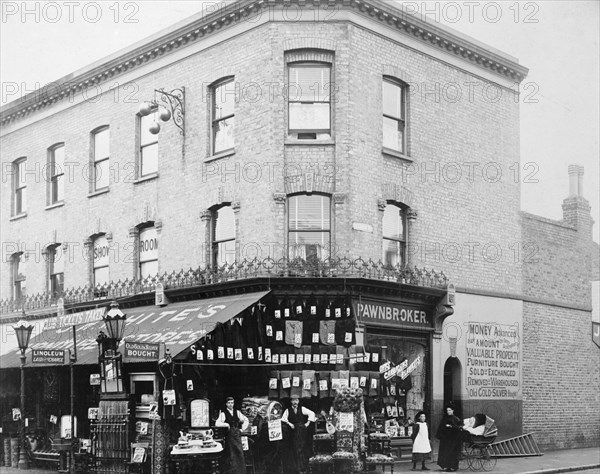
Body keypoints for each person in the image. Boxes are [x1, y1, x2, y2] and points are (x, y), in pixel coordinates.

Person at [281, 395, 316, 473]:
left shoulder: (302, 408)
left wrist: (307, 423)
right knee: (296, 449)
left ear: (298, 401)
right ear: (291, 401)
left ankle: (304, 469)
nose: (295, 402)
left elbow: (312, 414)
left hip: (302, 430)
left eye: (296, 400)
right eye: (293, 400)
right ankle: (299, 469)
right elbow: (283, 419)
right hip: (293, 431)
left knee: (302, 448)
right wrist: (290, 424)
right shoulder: (288, 410)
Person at [215, 397, 250, 474]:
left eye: (232, 403)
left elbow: (246, 420)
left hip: (237, 435)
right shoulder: (223, 413)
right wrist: (226, 424)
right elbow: (217, 423)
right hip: (229, 436)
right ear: (226, 404)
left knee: (239, 453)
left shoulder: (237, 412)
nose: (231, 404)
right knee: (231, 454)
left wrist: (242, 429)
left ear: (234, 404)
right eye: (229, 403)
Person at [436, 404, 463, 472]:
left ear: (453, 410)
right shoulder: (445, 418)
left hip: (453, 439)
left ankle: (454, 466)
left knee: (453, 453)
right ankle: (447, 466)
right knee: (446, 452)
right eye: (447, 410)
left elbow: (459, 428)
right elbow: (441, 427)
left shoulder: (456, 419)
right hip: (446, 439)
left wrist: (451, 426)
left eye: (449, 410)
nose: (448, 411)